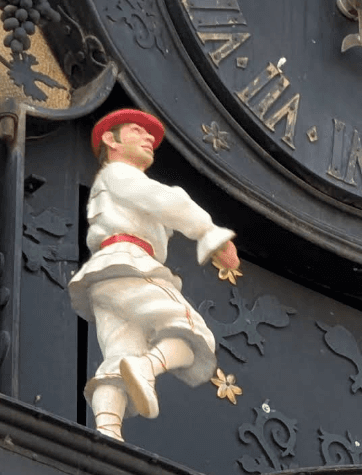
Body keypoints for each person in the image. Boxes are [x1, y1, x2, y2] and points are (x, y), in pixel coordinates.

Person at [69, 108, 240, 440]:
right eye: (136, 131)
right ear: (110, 139)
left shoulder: (110, 182)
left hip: (103, 280)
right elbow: (164, 200)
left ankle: (108, 431)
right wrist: (209, 232)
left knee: (120, 354)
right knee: (195, 335)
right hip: (130, 264)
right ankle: (147, 368)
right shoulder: (119, 173)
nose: (148, 138)